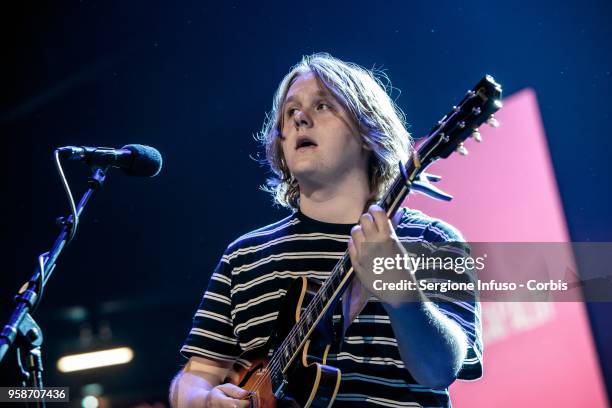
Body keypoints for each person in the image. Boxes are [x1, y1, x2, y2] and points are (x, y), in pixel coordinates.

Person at [169, 53, 482, 407]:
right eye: (290, 112)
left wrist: (401, 292)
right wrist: (204, 401)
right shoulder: (243, 257)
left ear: (368, 131)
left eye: (322, 106)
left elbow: (440, 370)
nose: (300, 118)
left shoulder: (433, 240)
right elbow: (194, 377)